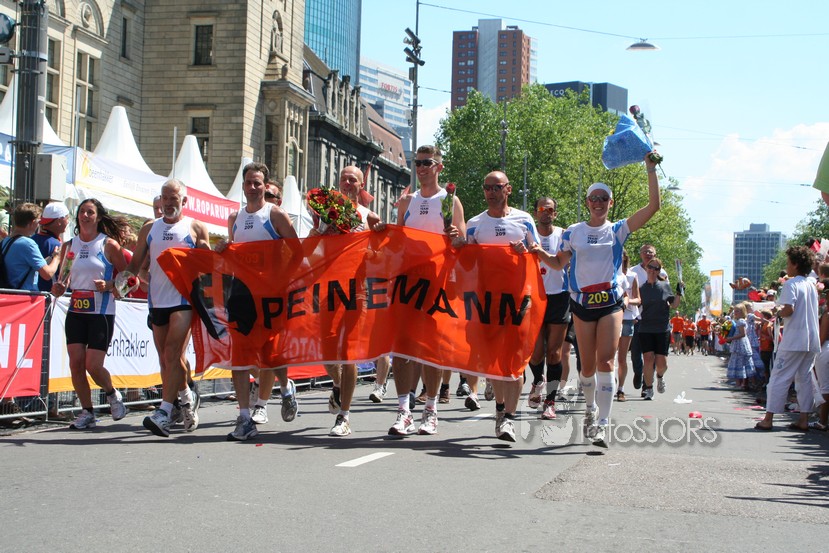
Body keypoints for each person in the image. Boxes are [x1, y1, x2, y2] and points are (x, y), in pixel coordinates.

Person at [537, 151, 661, 447]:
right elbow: (558, 263)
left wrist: (650, 169)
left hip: (610, 303)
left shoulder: (617, 230)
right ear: (587, 203)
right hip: (581, 304)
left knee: (606, 361)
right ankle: (591, 409)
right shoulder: (573, 232)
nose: (598, 202)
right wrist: (536, 251)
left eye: (603, 198)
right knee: (587, 367)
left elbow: (653, 207)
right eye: (593, 198)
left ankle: (603, 424)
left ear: (610, 203)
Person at [214, 162, 299, 440]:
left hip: (270, 295)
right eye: (248, 182)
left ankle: (286, 388)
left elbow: (298, 253)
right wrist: (224, 250)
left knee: (270, 354)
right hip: (241, 295)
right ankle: (244, 418)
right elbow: (234, 256)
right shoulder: (234, 218)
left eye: (257, 183)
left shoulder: (275, 215)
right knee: (240, 356)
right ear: (243, 185)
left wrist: (280, 278)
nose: (252, 187)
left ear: (265, 186)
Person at [388, 145, 465, 437]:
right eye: (417, 163)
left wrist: (455, 238)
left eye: (426, 162)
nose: (421, 167)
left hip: (438, 281)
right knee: (402, 348)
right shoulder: (407, 201)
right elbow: (397, 242)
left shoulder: (450, 201)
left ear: (439, 167)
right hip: (407, 281)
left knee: (431, 349)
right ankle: (403, 411)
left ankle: (430, 409)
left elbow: (462, 241)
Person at [125, 179, 211, 437]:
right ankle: (187, 397)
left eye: (174, 198)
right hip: (157, 300)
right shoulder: (150, 228)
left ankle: (163, 412)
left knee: (173, 353)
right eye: (165, 198)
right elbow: (136, 265)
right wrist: (118, 283)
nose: (169, 203)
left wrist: (211, 254)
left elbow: (207, 264)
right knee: (168, 359)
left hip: (183, 301)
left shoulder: (195, 227)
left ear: (184, 201)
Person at [461, 171, 539, 441]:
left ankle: (509, 418)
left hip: (519, 299)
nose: (491, 192)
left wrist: (524, 252)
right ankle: (500, 408)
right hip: (487, 300)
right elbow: (466, 264)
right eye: (487, 188)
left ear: (508, 189)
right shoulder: (474, 224)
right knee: (494, 359)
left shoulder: (524, 220)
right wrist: (463, 248)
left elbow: (537, 255)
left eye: (496, 187)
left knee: (515, 360)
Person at [311, 165, 383, 436]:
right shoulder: (323, 214)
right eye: (344, 178)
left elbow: (380, 256)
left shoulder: (369, 217)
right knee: (328, 352)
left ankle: (344, 416)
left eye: (353, 179)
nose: (348, 183)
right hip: (328, 287)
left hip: (356, 289)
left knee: (349, 353)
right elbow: (312, 252)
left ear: (361, 185)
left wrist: (370, 249)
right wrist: (317, 234)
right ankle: (339, 384)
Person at [51, 199, 129, 429]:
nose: (85, 216)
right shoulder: (69, 245)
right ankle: (87, 412)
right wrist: (60, 287)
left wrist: (109, 284)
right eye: (82, 212)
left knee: (93, 365)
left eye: (90, 212)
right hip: (76, 310)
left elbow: (128, 278)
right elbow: (64, 277)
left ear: (98, 217)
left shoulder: (108, 244)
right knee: (76, 363)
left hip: (101, 312)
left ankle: (112, 394)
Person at [756, 246, 820, 432]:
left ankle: (768, 419)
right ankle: (803, 419)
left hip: (794, 339)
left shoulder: (791, 284)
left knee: (779, 377)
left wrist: (777, 312)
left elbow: (789, 309)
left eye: (788, 263)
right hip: (811, 339)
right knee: (804, 378)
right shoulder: (811, 285)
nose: (787, 267)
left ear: (796, 264)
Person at [526, 196, 570, 419]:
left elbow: (562, 263)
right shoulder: (527, 234)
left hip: (558, 297)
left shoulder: (563, 235)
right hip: (533, 297)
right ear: (536, 212)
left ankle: (550, 402)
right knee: (535, 354)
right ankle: (537, 380)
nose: (546, 212)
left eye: (550, 210)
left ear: (555, 214)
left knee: (554, 353)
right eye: (542, 208)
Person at [637, 257, 682, 400]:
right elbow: (635, 304)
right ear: (646, 268)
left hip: (662, 329)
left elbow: (674, 305)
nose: (652, 270)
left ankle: (660, 376)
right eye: (650, 267)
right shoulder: (641, 289)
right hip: (645, 328)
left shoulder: (664, 286)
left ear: (659, 271)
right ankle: (648, 389)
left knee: (662, 363)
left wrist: (679, 292)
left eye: (656, 268)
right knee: (648, 358)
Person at [1, 203, 61, 291]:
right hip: (25, 296)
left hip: (8, 294)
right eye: (38, 222)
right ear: (33, 222)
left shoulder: (5, 241)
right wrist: (57, 257)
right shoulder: (28, 244)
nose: (39, 225)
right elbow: (48, 274)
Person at [616, 249, 640, 401]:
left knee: (622, 358)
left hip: (628, 318)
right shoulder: (609, 272)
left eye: (622, 256)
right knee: (608, 356)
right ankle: (608, 383)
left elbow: (638, 299)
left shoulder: (632, 276)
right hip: (611, 317)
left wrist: (626, 301)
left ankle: (621, 389)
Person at [33, 202, 70, 293]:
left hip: (32, 294)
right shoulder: (57, 246)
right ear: (59, 221)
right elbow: (65, 275)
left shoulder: (31, 240)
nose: (68, 222)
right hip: (50, 296)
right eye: (67, 218)